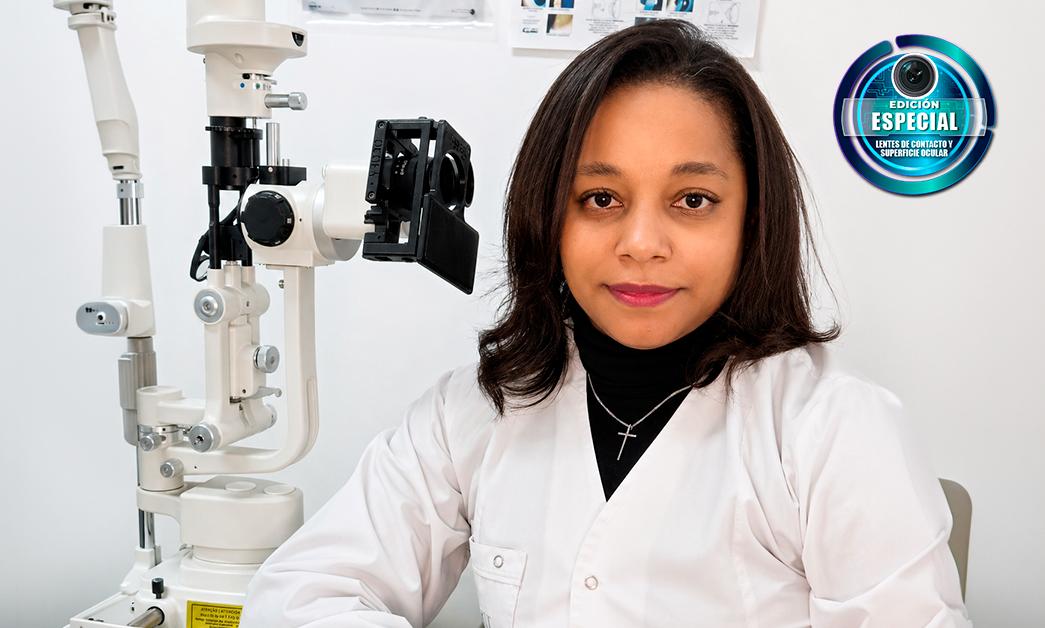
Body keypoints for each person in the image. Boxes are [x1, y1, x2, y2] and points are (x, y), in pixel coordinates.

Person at [242, 20, 970, 628]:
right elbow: (302, 596)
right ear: (547, 214)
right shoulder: (474, 410)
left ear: (754, 219)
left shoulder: (833, 430)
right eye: (598, 198)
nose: (641, 243)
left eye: (693, 200)